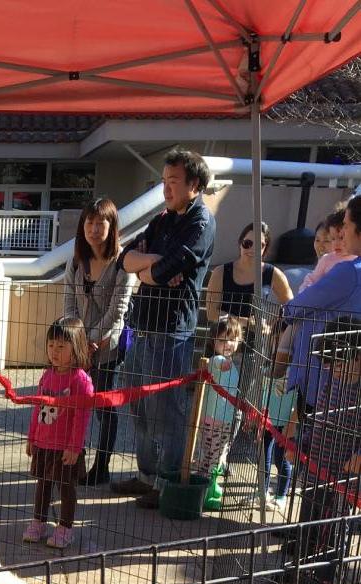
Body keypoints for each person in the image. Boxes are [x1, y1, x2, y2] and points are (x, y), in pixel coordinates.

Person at [112, 147, 216, 509]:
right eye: (164, 180)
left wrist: (150, 269)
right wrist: (152, 264)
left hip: (172, 330)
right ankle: (146, 475)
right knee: (139, 405)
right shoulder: (162, 220)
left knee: (166, 410)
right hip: (142, 325)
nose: (166, 188)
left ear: (194, 185)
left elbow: (162, 272)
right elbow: (124, 259)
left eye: (174, 181)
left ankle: (167, 481)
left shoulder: (200, 223)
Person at [60, 197, 136, 485]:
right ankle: (72, 460)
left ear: (111, 225)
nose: (93, 229)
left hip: (107, 347)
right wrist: (76, 340)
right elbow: (69, 303)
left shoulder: (122, 263)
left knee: (104, 406)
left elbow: (118, 311)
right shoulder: (76, 261)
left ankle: (101, 465)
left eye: (100, 223)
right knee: (75, 403)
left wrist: (92, 341)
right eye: (89, 222)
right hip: (77, 346)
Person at [288, 320, 361, 584]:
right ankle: (299, 573)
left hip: (343, 477)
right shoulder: (330, 383)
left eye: (337, 364)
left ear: (357, 357)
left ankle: (327, 577)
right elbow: (317, 421)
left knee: (333, 528)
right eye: (328, 365)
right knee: (308, 522)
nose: (332, 370)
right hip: (317, 467)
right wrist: (301, 444)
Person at [281, 195, 361, 421]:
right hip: (344, 377)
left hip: (324, 377)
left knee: (308, 434)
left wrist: (287, 312)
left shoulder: (349, 271)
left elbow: (301, 304)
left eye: (346, 225)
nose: (343, 231)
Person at [22, 317, 95, 550]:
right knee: (42, 485)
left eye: (61, 346)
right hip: (43, 443)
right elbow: (37, 408)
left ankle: (65, 528)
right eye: (51, 345)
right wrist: (32, 437)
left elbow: (81, 418)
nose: (54, 351)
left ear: (76, 348)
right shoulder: (47, 375)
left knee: (66, 488)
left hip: (65, 448)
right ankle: (39, 522)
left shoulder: (81, 381)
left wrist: (74, 447)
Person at [194, 315, 243, 508]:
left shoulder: (231, 363)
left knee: (217, 455)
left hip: (225, 419)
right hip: (213, 420)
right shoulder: (216, 360)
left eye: (232, 339)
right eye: (223, 340)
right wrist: (225, 364)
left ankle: (210, 485)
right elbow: (220, 364)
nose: (228, 344)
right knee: (210, 457)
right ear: (213, 342)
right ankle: (205, 492)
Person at [205, 221, 293, 327]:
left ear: (265, 248)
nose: (252, 249)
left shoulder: (274, 273)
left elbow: (292, 307)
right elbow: (211, 313)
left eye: (259, 245)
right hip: (225, 334)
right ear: (240, 244)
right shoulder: (220, 272)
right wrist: (246, 322)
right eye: (247, 243)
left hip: (256, 336)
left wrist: (271, 326)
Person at [259, 374, 299, 512]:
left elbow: (300, 397)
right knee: (263, 455)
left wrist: (292, 422)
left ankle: (281, 496)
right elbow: (265, 390)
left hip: (286, 421)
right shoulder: (268, 368)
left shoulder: (294, 370)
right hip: (268, 417)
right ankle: (262, 491)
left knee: (281, 459)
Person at [298, 206, 354, 294]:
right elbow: (311, 279)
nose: (336, 243)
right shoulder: (327, 259)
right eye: (333, 238)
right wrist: (304, 293)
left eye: (341, 238)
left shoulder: (357, 260)